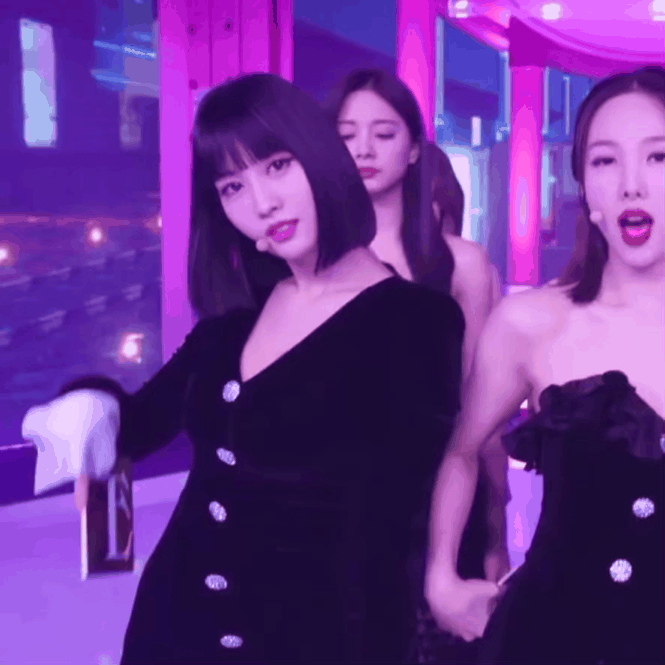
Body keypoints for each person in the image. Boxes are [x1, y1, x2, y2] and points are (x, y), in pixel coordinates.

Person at [22, 73, 467, 664]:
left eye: (278, 166)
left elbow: (407, 512)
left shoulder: (416, 322)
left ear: (321, 157)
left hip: (317, 640)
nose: (262, 203)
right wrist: (93, 418)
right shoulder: (233, 321)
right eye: (233, 187)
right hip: (174, 628)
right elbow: (141, 420)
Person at [425, 65, 665, 664]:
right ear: (584, 186)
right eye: (605, 161)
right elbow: (462, 451)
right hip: (554, 637)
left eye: (659, 157)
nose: (631, 186)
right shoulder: (530, 323)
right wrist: (441, 577)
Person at [325, 70, 510, 663]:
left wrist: (497, 529)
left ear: (412, 150)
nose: (363, 149)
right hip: (337, 507)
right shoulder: (309, 261)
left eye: (383, 134)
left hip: (442, 502)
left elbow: (479, 411)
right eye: (346, 134)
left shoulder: (462, 264)